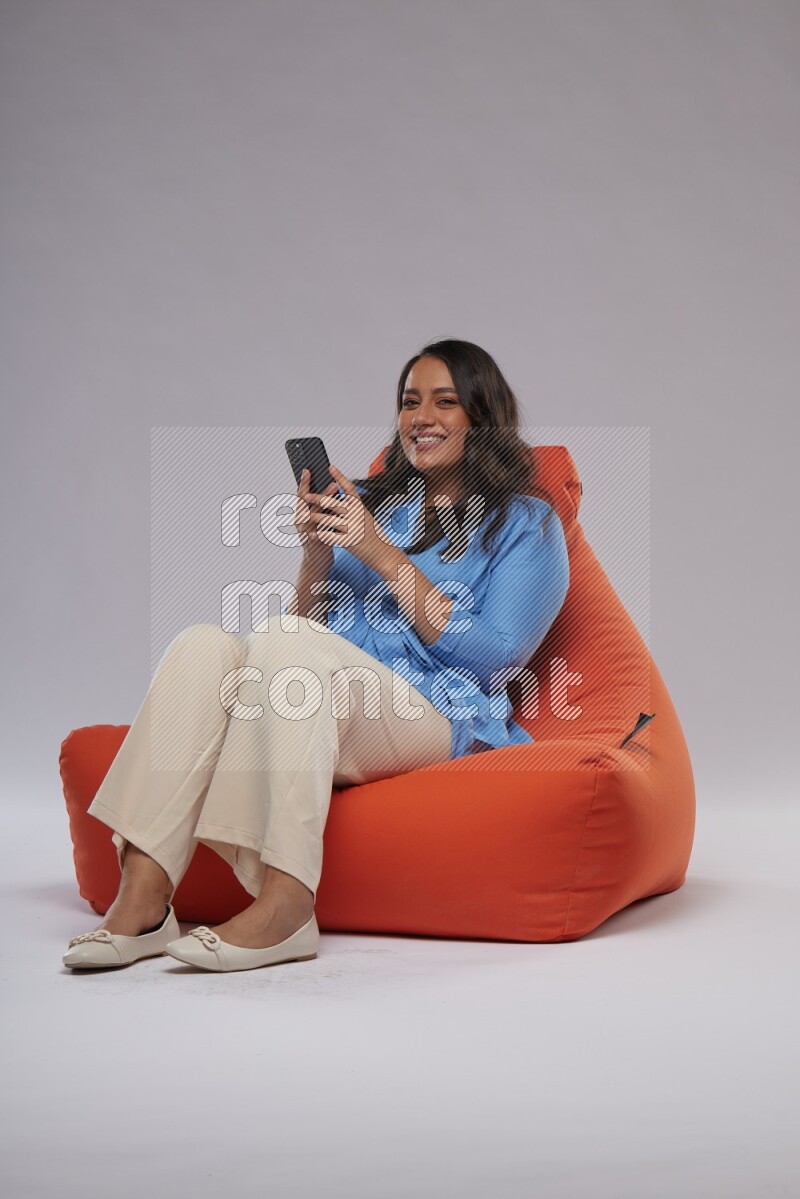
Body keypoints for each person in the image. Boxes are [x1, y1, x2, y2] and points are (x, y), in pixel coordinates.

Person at [62, 338, 570, 973]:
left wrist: (382, 553)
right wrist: (317, 554)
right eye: (410, 402)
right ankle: (143, 897)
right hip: (333, 702)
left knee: (282, 643)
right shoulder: (375, 503)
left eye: (446, 402)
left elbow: (499, 654)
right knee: (203, 645)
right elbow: (303, 632)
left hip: (440, 713)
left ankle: (287, 903)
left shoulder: (526, 523)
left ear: (482, 417)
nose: (422, 417)